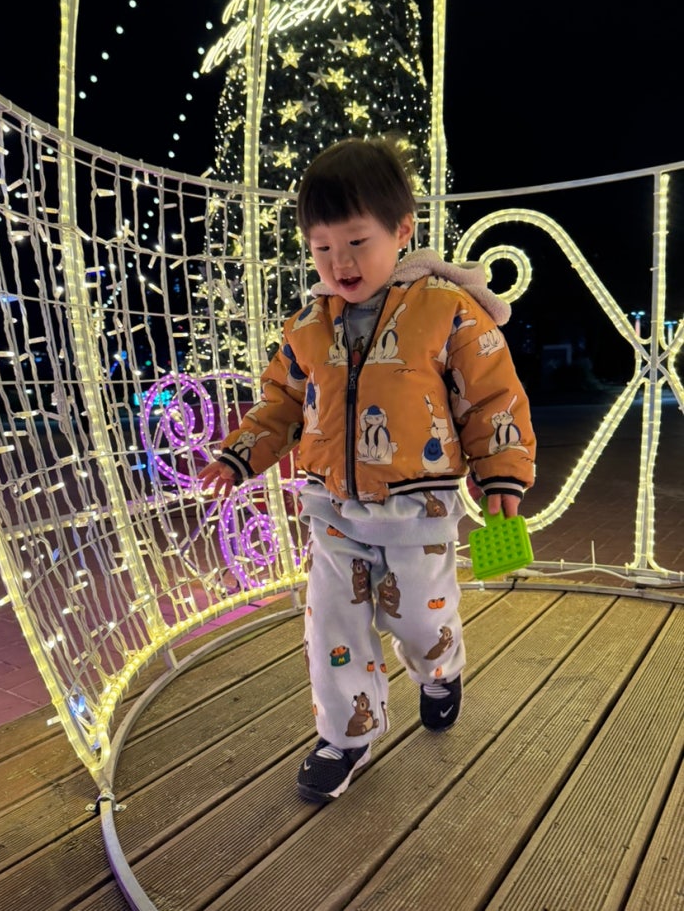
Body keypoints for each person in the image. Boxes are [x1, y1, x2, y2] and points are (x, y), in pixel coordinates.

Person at [199, 136, 536, 803]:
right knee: (332, 627)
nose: (340, 262)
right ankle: (345, 735)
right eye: (322, 247)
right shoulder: (307, 325)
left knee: (421, 624)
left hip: (418, 511)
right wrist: (238, 454)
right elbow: (280, 402)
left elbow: (492, 395)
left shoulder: (445, 309)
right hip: (333, 513)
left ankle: (440, 671)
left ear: (401, 229)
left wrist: (501, 471)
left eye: (356, 241)